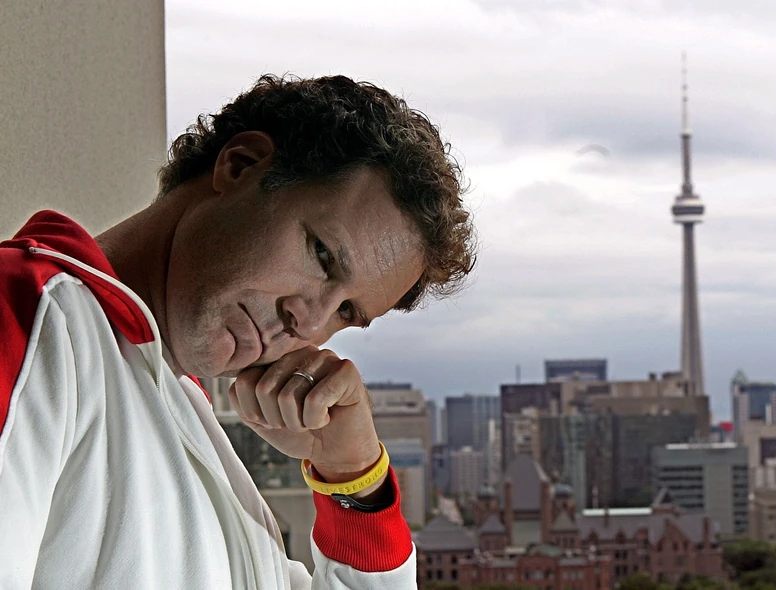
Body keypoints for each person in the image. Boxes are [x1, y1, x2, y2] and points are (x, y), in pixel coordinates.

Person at [0, 74, 475, 589]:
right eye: (321, 256)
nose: (310, 323)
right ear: (240, 166)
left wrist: (354, 477)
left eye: (346, 312)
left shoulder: (184, 415)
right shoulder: (31, 317)